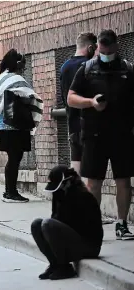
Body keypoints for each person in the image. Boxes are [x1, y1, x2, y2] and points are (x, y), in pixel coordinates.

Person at [67, 29, 134, 239]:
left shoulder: (127, 69)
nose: (105, 54)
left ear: (115, 47)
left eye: (108, 50)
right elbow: (70, 98)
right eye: (101, 50)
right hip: (94, 135)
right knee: (93, 182)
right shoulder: (86, 69)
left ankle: (121, 223)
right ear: (96, 47)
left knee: (123, 181)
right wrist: (91, 102)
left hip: (122, 135)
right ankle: (92, 224)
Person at [0, 49, 43, 202]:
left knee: (13, 159)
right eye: (23, 66)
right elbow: (28, 96)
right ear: (18, 65)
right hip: (14, 126)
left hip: (3, 126)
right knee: (14, 159)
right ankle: (10, 192)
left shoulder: (1, 78)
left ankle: (10, 191)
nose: (24, 69)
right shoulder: (15, 79)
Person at [31, 165, 103, 280]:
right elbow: (56, 219)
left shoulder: (83, 197)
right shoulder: (60, 194)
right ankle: (55, 264)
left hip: (89, 246)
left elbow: (69, 224)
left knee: (47, 224)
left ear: (68, 182)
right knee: (36, 224)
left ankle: (65, 267)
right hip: (74, 240)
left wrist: (62, 205)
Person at [60, 33, 97, 174]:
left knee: (76, 163)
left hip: (73, 122)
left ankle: (74, 194)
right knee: (91, 170)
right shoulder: (88, 66)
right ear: (89, 47)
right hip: (90, 123)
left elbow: (65, 97)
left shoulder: (65, 67)